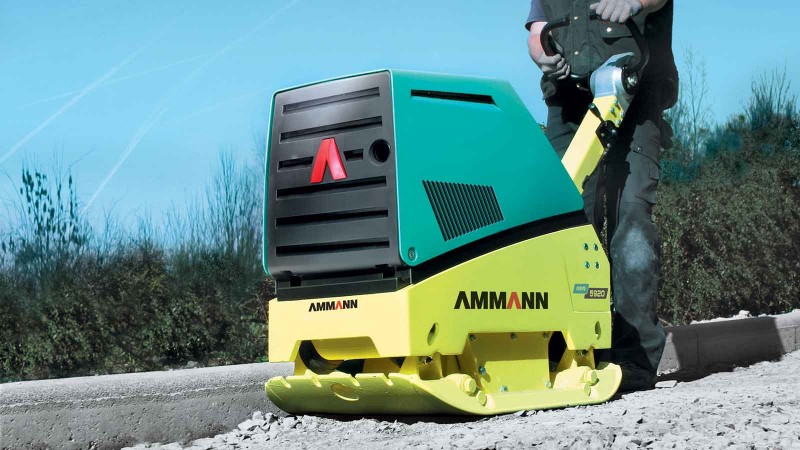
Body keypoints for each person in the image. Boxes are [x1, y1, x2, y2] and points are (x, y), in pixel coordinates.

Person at [526, 0, 678, 392]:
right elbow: (537, 27)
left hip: (635, 94)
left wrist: (634, 2)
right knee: (565, 226)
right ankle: (568, 352)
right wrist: (543, 55)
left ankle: (635, 359)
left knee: (631, 220)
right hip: (569, 105)